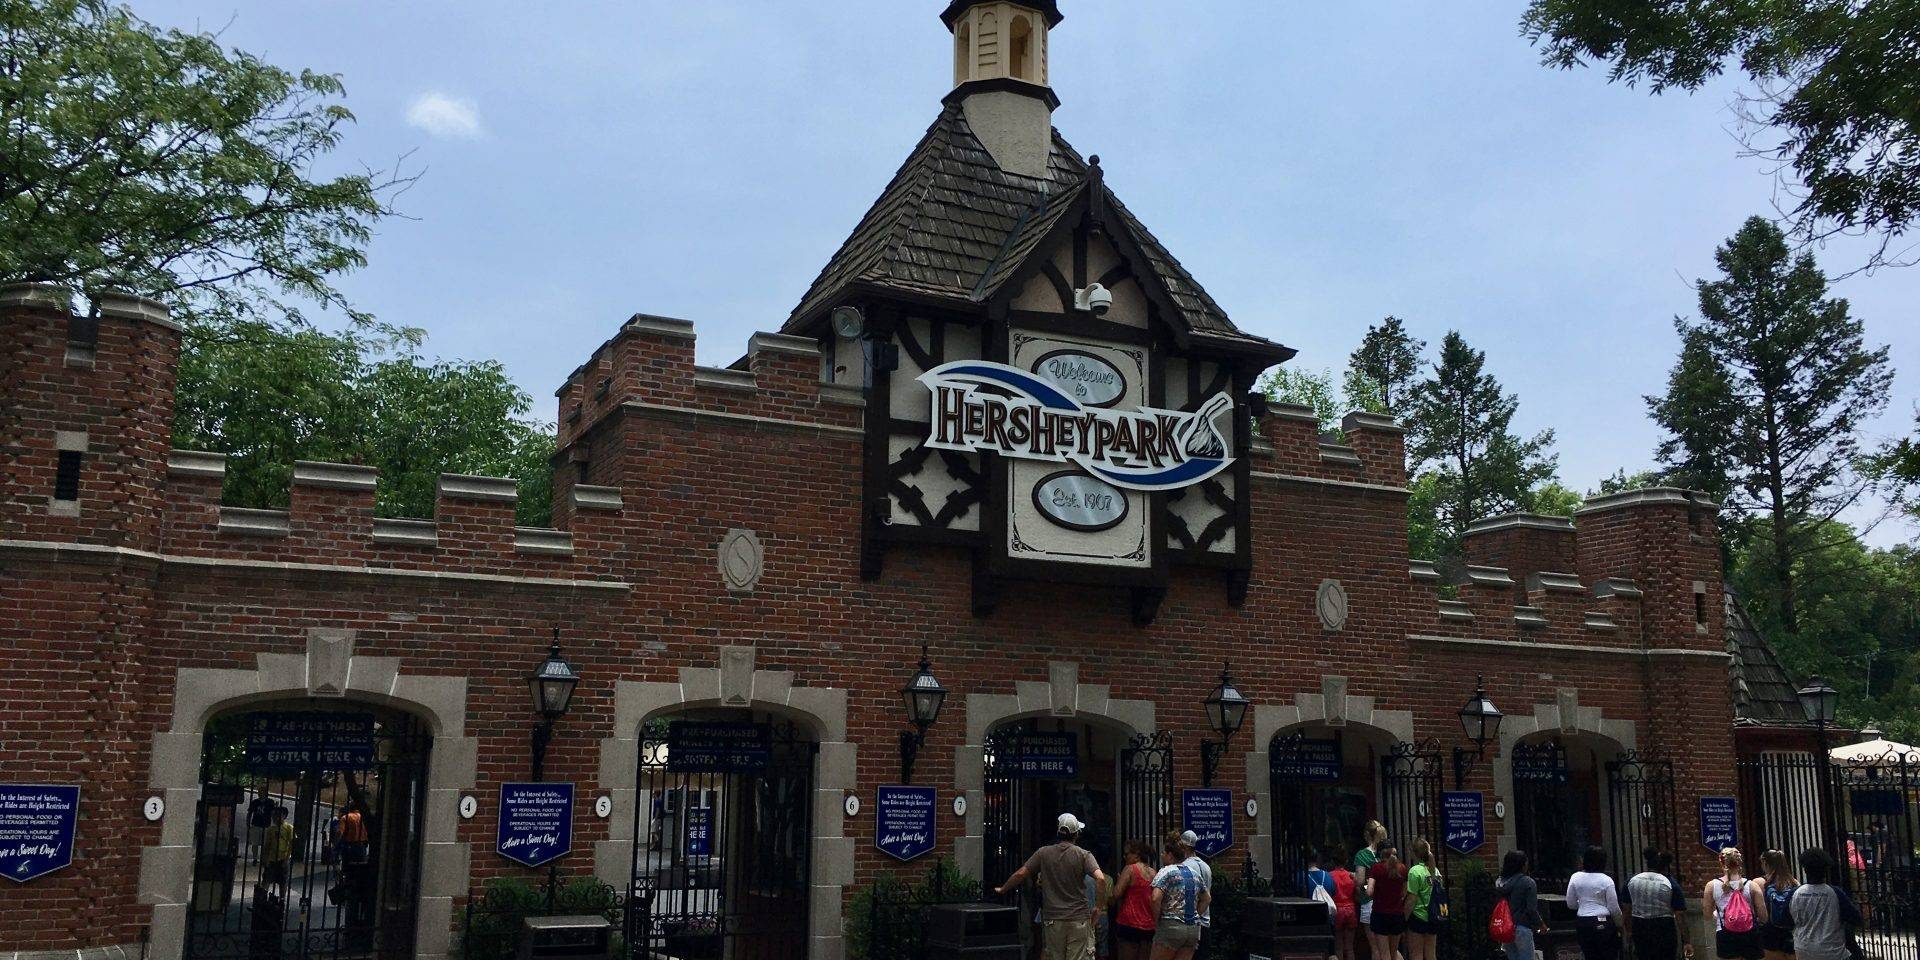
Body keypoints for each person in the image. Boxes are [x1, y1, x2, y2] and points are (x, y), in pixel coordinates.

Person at [996, 813, 1109, 960]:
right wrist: (1098, 908)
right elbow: (1100, 879)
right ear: (1076, 834)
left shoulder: (1043, 853)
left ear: (1058, 832)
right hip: (1078, 919)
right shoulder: (1084, 855)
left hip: (1053, 919)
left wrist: (1003, 888)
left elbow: (1021, 874)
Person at [1790, 848, 1863, 960]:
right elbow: (1856, 918)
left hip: (1803, 949)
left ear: (1804, 869)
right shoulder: (1835, 893)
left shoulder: (1795, 893)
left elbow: (1784, 919)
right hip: (1832, 951)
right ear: (1825, 870)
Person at [1149, 831, 1209, 960]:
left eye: (1164, 853)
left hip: (1170, 926)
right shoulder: (1194, 874)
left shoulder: (1166, 872)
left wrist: (1156, 919)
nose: (1161, 855)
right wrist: (1196, 914)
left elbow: (1155, 898)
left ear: (1170, 855)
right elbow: (1207, 898)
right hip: (1192, 930)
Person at [1626, 850, 1691, 960]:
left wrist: (1628, 931)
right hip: (1663, 926)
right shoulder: (1670, 883)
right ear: (1665, 866)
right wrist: (1686, 941)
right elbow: (1680, 915)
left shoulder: (1632, 881)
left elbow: (1626, 909)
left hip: (1640, 924)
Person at [1567, 846, 1625, 960]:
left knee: (1589, 954)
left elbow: (1571, 903)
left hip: (1583, 921)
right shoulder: (1606, 880)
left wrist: (1583, 904)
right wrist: (1620, 925)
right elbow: (1614, 907)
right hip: (1603, 921)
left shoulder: (1575, 877)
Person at [1708, 847, 1763, 960]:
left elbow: (1706, 915)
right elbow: (1764, 916)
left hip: (1725, 933)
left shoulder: (1711, 886)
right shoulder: (1752, 885)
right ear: (1740, 862)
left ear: (1721, 863)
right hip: (1750, 933)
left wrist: (1718, 914)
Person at [1111, 841, 1158, 960]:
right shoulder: (1154, 873)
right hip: (1148, 926)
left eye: (1127, 854)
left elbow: (1116, 894)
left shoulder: (1130, 869)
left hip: (1129, 924)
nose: (1124, 857)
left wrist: (1119, 880)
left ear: (1136, 855)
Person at [1496, 850, 1547, 960]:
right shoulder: (1528, 882)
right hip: (1523, 926)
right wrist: (1540, 924)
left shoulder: (1500, 883)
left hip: (1506, 927)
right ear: (1523, 865)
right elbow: (1531, 909)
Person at [1364, 840, 1410, 960]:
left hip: (1380, 914)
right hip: (1397, 914)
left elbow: (1369, 891)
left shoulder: (1376, 868)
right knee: (1394, 952)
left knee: (1384, 954)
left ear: (1379, 853)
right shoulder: (1402, 868)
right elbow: (1404, 892)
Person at [1754, 849, 1799, 960]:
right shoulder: (1794, 882)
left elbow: (1757, 910)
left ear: (1765, 862)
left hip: (1769, 931)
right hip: (1790, 930)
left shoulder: (1759, 882)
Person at [1354, 822, 1387, 960]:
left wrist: (1353, 877)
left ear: (1367, 835)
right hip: (1388, 902)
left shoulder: (1362, 855)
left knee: (1376, 949)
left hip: (1370, 902)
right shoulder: (1387, 854)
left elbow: (1360, 881)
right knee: (1389, 948)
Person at [1405, 839, 1442, 960]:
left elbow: (1411, 900)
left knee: (1416, 954)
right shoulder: (1435, 871)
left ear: (1414, 853)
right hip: (1433, 915)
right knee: (1431, 954)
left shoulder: (1414, 871)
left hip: (1418, 916)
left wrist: (1404, 918)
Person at [1177, 831, 1213, 943]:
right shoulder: (1206, 866)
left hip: (1190, 923)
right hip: (1205, 921)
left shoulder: (1184, 866)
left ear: (1184, 847)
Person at [1328, 845, 1361, 960]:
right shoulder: (1351, 876)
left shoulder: (1330, 876)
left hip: (1337, 910)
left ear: (1333, 860)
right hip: (1350, 909)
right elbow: (1357, 894)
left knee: (1338, 946)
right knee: (1350, 947)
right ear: (1346, 860)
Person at [262, 805, 295, 890]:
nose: (275, 817)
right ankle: (263, 896)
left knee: (283, 881)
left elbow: (292, 844)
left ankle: (282, 899)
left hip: (283, 858)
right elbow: (267, 845)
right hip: (272, 858)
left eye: (277, 815)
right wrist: (265, 858)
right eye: (274, 815)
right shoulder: (271, 829)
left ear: (284, 816)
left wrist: (287, 859)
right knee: (266, 879)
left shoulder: (289, 828)